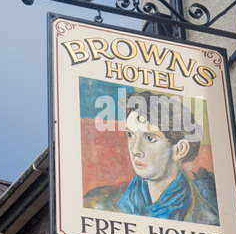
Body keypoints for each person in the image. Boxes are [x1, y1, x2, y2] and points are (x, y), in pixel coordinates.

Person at [85, 90, 219, 226]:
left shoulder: (207, 221)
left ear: (180, 150)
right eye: (131, 135)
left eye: (150, 138)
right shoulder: (101, 201)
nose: (135, 150)